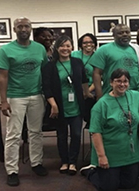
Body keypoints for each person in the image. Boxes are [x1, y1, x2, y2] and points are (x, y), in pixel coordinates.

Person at [0, 17, 48, 186]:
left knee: (35, 132)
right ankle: (12, 170)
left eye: (26, 26)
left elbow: (45, 71)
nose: (23, 29)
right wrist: (3, 101)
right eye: (20, 26)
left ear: (31, 28)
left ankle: (36, 163)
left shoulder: (39, 49)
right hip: (16, 96)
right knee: (14, 134)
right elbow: (2, 78)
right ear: (14, 29)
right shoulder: (6, 50)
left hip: (37, 95)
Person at [85, 69, 139, 191]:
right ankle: (90, 172)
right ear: (111, 82)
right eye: (118, 81)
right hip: (109, 153)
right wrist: (102, 156)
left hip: (130, 153)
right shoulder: (101, 105)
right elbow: (95, 132)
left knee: (129, 184)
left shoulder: (133, 95)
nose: (122, 84)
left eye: (125, 81)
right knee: (109, 187)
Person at [41, 35, 91, 175]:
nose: (65, 48)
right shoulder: (49, 66)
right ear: (57, 48)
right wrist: (53, 105)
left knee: (76, 134)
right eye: (62, 46)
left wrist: (87, 93)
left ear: (72, 47)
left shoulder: (77, 62)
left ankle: (73, 162)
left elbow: (84, 80)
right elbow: (47, 87)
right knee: (61, 135)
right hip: (59, 107)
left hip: (76, 106)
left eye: (68, 46)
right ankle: (64, 161)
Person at [91, 24, 139, 100]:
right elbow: (96, 73)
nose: (124, 34)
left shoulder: (138, 50)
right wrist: (99, 95)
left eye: (127, 32)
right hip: (112, 95)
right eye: (120, 33)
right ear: (113, 35)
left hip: (135, 94)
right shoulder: (104, 50)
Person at [71, 33, 97, 128]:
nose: (88, 44)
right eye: (85, 42)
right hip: (75, 88)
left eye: (91, 42)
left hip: (91, 89)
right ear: (81, 44)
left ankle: (91, 124)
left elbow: (98, 79)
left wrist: (87, 91)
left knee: (91, 101)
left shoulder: (98, 56)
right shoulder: (74, 55)